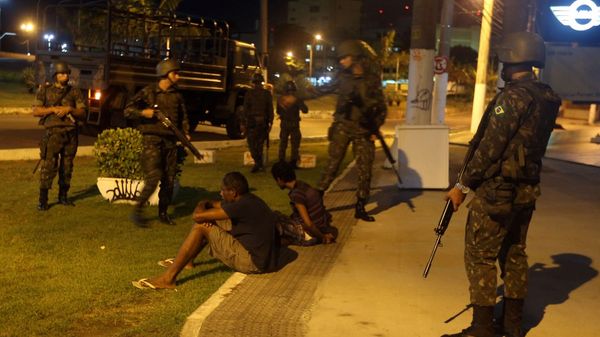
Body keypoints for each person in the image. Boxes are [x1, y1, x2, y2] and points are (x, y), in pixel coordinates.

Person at [443, 31, 561, 337]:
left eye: (503, 60)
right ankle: (511, 326)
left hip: (498, 192)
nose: (501, 66)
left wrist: (462, 186)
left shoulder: (512, 97)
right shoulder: (547, 97)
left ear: (513, 59)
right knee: (514, 252)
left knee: (480, 255)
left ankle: (482, 329)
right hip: (526, 190)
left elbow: (489, 147)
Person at [132, 171, 280, 290]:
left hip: (253, 262)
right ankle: (188, 261)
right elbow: (216, 205)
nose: (220, 194)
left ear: (233, 192)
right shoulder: (249, 200)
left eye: (223, 191)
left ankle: (168, 279)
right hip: (265, 259)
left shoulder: (239, 206)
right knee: (211, 220)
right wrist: (206, 205)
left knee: (201, 226)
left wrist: (202, 203)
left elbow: (197, 216)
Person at [312, 40, 387, 222]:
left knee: (365, 169)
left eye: (344, 57)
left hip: (363, 129)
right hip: (343, 126)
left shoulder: (371, 79)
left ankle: (360, 206)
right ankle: (315, 202)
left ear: (354, 57)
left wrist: (375, 127)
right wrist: (298, 93)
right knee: (332, 165)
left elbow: (381, 107)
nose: (341, 61)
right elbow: (321, 90)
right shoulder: (341, 77)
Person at [124, 58, 190, 227]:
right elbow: (127, 110)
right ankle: (137, 211)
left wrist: (186, 134)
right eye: (175, 73)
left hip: (170, 141)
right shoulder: (148, 92)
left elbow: (183, 118)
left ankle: (163, 213)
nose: (178, 76)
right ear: (165, 74)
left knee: (169, 180)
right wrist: (143, 113)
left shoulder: (177, 95)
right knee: (154, 177)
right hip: (151, 140)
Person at [32, 61, 87, 211]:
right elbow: (36, 111)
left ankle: (63, 196)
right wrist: (52, 109)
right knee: (49, 167)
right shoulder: (45, 90)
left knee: (67, 166)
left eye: (66, 73)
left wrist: (69, 109)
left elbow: (82, 112)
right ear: (55, 75)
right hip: (53, 134)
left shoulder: (74, 91)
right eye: (61, 73)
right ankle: (43, 200)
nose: (65, 76)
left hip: (70, 133)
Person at [271, 161, 336, 245]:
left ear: (279, 179)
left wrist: (323, 237)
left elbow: (308, 224)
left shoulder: (297, 195)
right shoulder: (302, 185)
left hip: (312, 232)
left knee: (274, 219)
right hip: (322, 226)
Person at [242, 73, 274, 173]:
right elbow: (270, 110)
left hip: (253, 123)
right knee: (259, 145)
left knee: (252, 145)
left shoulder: (249, 93)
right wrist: (270, 122)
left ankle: (258, 163)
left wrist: (244, 122)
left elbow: (245, 110)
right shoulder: (266, 94)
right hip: (261, 123)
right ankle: (259, 164)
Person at [276, 80, 308, 167]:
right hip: (294, 125)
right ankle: (293, 162)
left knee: (283, 144)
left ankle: (281, 161)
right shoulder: (297, 99)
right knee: (295, 144)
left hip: (284, 124)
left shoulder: (280, 100)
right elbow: (305, 110)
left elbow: (278, 111)